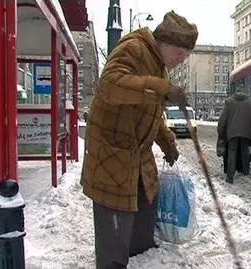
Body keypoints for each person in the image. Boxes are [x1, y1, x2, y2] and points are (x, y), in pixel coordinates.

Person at [80, 11, 198, 269]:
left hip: (136, 152)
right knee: (115, 217)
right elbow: (110, 85)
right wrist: (161, 88)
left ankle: (140, 252)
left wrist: (168, 143)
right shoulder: (134, 49)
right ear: (164, 43)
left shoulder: (159, 67)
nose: (181, 59)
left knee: (147, 202)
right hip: (112, 152)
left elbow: (152, 114)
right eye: (180, 53)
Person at [217, 86, 251, 183]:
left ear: (235, 92)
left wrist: (221, 132)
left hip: (232, 132)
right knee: (245, 152)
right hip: (246, 132)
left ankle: (230, 177)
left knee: (232, 152)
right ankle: (246, 172)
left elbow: (223, 119)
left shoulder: (229, 102)